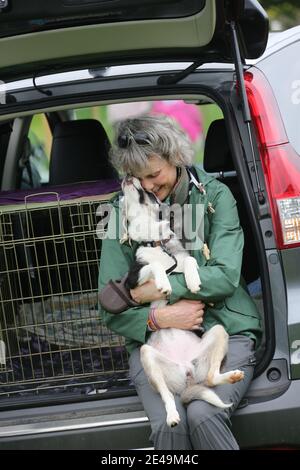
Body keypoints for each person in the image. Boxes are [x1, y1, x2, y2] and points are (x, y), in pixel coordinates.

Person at [98, 114, 262, 450]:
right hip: (159, 344)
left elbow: (225, 276)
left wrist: (152, 292)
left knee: (204, 413)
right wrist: (159, 317)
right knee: (169, 427)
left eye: (154, 174)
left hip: (225, 327)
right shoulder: (120, 213)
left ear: (176, 158)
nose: (147, 185)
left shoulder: (215, 196)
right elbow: (111, 302)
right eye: (136, 177)